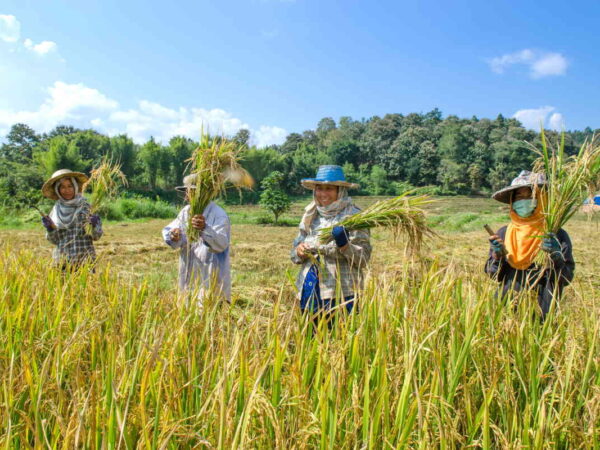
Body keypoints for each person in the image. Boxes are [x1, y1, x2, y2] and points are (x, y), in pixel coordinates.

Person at [485, 170, 575, 320]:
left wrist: (556, 257)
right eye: (519, 197)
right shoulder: (504, 233)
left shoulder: (554, 234)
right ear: (512, 202)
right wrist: (497, 257)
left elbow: (566, 278)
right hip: (507, 309)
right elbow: (494, 275)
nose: (524, 200)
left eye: (530, 196)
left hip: (542, 312)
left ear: (542, 199)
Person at [291, 165, 371, 320]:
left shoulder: (354, 217)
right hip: (309, 288)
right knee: (310, 339)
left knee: (341, 339)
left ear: (339, 191)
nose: (323, 194)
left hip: (341, 292)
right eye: (319, 188)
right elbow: (294, 250)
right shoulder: (310, 214)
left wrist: (344, 245)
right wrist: (299, 251)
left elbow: (363, 258)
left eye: (329, 189)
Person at [162, 174, 231, 306]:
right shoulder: (186, 212)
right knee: (187, 309)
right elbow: (174, 231)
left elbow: (221, 244)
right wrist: (174, 235)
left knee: (208, 311)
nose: (185, 195)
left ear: (200, 193)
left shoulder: (218, 214)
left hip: (210, 272)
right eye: (186, 191)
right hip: (189, 269)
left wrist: (205, 228)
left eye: (189, 191)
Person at [40, 169, 103, 269]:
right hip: (62, 262)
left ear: (75, 187)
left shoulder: (87, 207)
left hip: (85, 262)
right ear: (57, 190)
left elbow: (96, 236)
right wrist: (50, 229)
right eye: (62, 187)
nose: (67, 190)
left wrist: (94, 225)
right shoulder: (56, 211)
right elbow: (54, 240)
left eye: (70, 186)